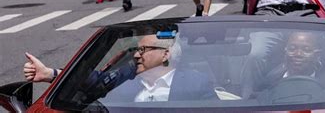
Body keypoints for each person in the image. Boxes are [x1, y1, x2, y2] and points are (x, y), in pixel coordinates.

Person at [23, 35, 216, 102]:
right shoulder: (128, 76)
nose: (136, 55)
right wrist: (50, 74)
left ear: (166, 54)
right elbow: (95, 82)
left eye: (143, 50)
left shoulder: (196, 84)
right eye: (137, 50)